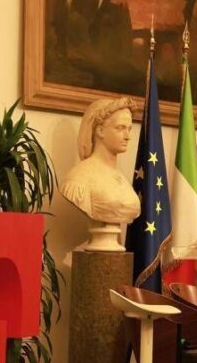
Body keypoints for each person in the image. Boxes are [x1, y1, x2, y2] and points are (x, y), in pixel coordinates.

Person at [61, 97, 142, 250]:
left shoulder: (121, 178)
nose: (127, 136)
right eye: (120, 128)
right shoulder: (79, 177)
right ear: (100, 131)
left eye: (129, 129)